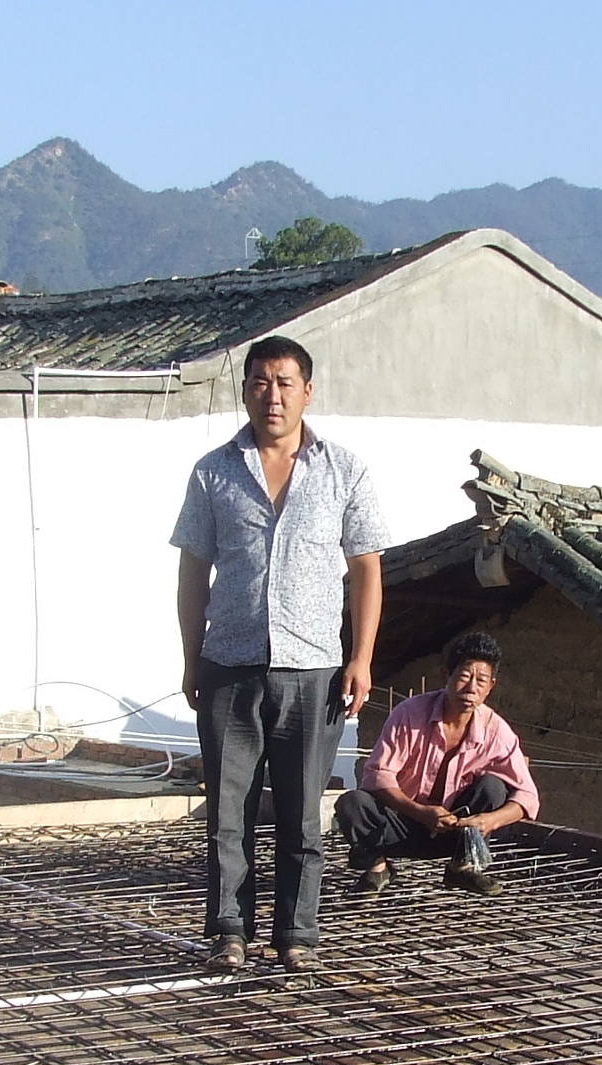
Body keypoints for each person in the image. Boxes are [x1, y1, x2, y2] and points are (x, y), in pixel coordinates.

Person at [172, 336, 388, 973]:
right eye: (261, 382)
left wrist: (362, 656)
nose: (273, 395)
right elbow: (192, 574)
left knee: (300, 816)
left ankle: (297, 934)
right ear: (246, 390)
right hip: (228, 666)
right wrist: (191, 657)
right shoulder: (214, 471)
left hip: (313, 669)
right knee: (228, 816)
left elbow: (367, 571)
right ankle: (230, 929)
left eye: (286, 382)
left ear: (308, 391)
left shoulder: (344, 470)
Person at [336, 630, 539, 894]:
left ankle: (461, 868)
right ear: (446, 676)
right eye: (464, 677)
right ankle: (377, 867)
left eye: (481, 681)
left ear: (491, 686)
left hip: (457, 834)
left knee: (494, 787)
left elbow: (528, 796)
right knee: (352, 803)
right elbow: (377, 776)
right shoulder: (410, 713)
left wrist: (490, 821)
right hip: (401, 826)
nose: (471, 688)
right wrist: (420, 812)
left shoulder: (496, 730)